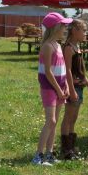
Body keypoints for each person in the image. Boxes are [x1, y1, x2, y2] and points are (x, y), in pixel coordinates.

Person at [32, 12, 72, 166]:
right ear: (55, 28)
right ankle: (38, 155)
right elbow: (48, 72)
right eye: (63, 26)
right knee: (51, 120)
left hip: (60, 87)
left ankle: (49, 154)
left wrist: (66, 86)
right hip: (50, 87)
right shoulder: (47, 46)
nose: (65, 29)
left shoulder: (58, 45)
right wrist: (58, 89)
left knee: (54, 122)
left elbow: (61, 68)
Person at [60, 19, 88, 160]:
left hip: (80, 87)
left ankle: (71, 145)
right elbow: (67, 69)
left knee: (74, 118)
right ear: (74, 31)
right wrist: (71, 90)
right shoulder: (68, 48)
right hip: (72, 87)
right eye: (83, 30)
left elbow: (80, 70)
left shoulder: (77, 47)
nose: (85, 33)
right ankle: (66, 149)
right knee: (68, 117)